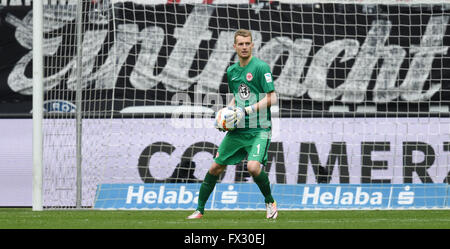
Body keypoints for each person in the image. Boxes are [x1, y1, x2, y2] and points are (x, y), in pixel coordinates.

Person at [187, 29, 278, 219]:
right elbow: (237, 98)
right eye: (241, 44)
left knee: (253, 168)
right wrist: (225, 115)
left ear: (252, 45)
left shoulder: (261, 68)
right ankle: (200, 209)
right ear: (234, 46)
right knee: (214, 168)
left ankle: (270, 201)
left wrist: (248, 110)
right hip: (238, 131)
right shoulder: (231, 71)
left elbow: (272, 97)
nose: (244, 47)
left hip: (259, 129)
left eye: (247, 43)